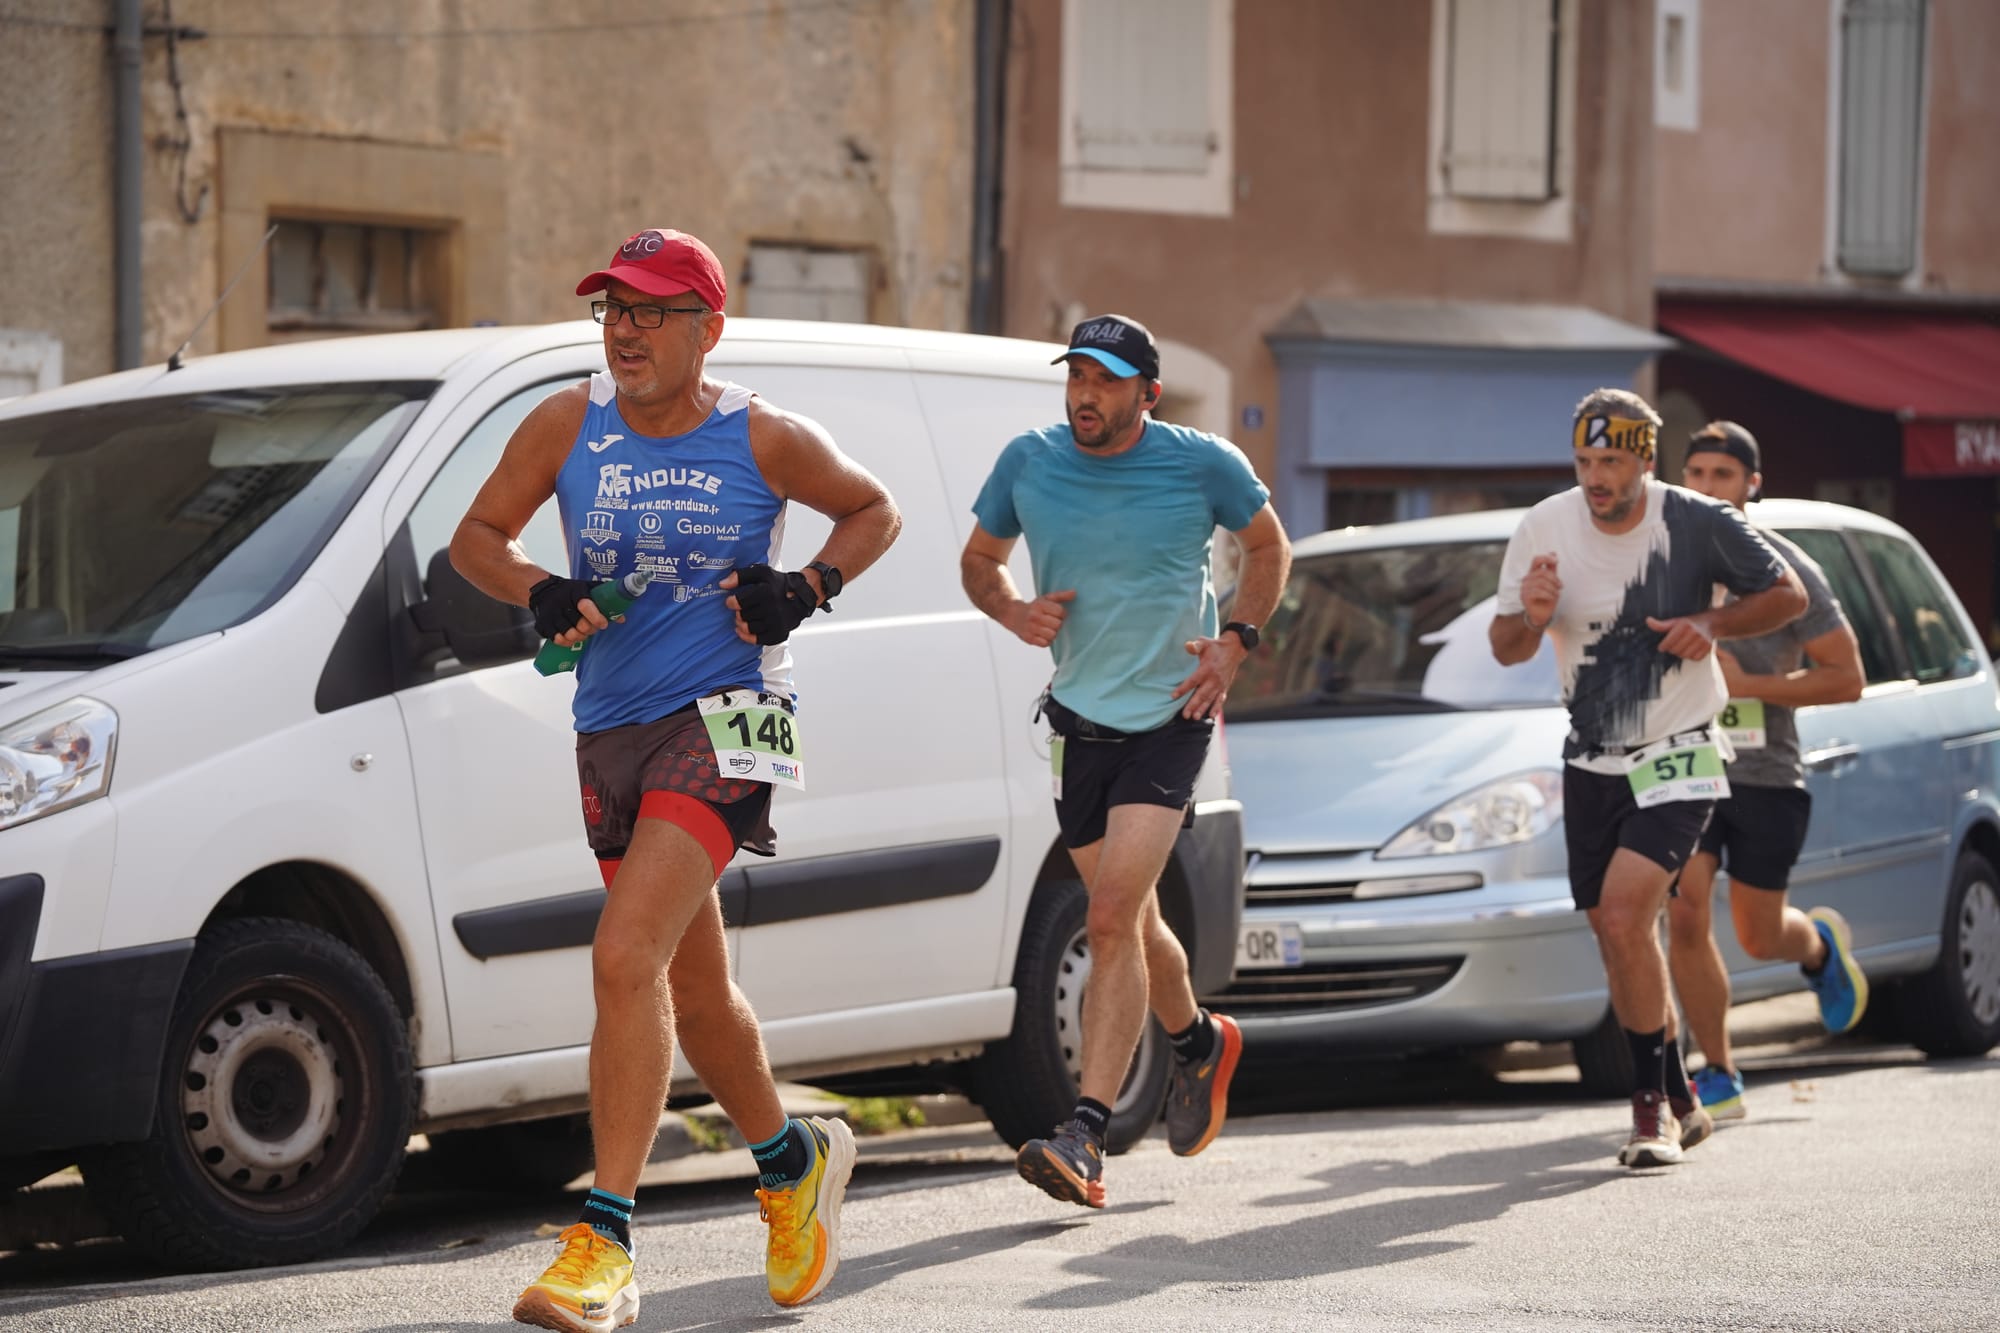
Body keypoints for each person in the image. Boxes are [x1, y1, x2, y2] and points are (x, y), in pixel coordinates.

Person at [450, 228, 901, 1329]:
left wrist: (808, 585)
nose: (625, 331)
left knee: (621, 954)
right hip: (609, 723)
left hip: (731, 716)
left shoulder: (764, 435)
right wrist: (539, 591)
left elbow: (873, 509)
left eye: (651, 311)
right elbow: (474, 537)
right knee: (689, 992)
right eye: (613, 310)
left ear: (709, 326)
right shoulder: (567, 424)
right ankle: (792, 1162)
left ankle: (602, 1240)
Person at [960, 313, 1291, 1207]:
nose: (1084, 396)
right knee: (1134, 923)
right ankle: (1198, 1045)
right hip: (1077, 721)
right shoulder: (1029, 460)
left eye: (1105, 381)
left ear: (1146, 392)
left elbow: (1268, 546)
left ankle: (1087, 1133)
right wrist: (1011, 610)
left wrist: (1236, 640)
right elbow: (979, 560)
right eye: (1076, 377)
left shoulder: (1200, 462)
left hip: (1172, 714)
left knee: (1107, 916)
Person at [1490, 389, 1806, 1169]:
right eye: (1584, 460)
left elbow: (1787, 594)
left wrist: (1715, 623)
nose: (1596, 476)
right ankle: (1683, 1094)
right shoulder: (1544, 527)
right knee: (1613, 933)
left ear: (1644, 459)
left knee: (1630, 917)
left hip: (1684, 747)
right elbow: (1503, 647)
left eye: (1612, 460)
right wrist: (1530, 615)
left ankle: (1649, 1110)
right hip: (1592, 754)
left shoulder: (1697, 520)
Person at [1669, 422, 1868, 1121]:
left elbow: (1847, 677)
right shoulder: (1664, 558)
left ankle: (1815, 948)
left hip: (1766, 773)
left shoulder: (1788, 570)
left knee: (1757, 933)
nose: (1705, 487)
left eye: (1723, 475)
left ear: (1753, 485)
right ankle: (1717, 1070)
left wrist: (1751, 688)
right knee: (1686, 909)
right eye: (1695, 473)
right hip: (1687, 764)